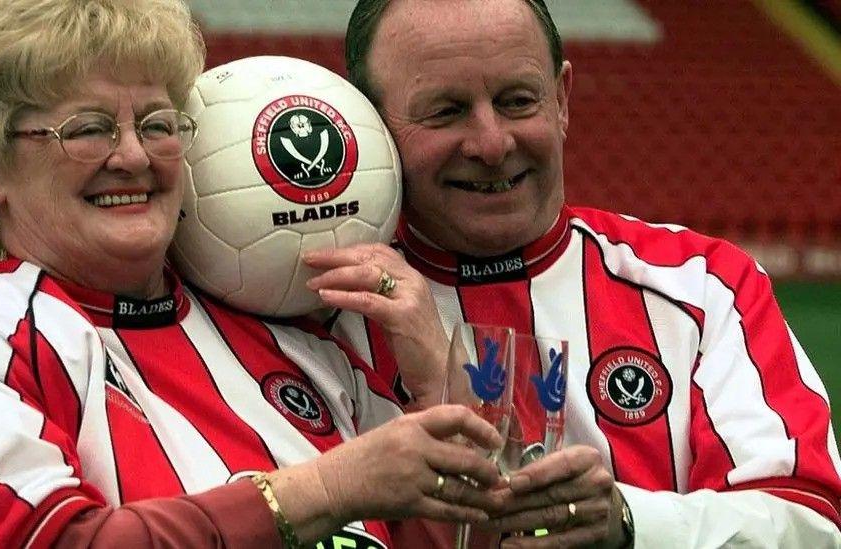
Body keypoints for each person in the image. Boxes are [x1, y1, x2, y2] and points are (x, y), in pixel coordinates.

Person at [0, 1, 511, 547]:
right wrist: (322, 488)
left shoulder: (294, 342)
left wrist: (437, 386)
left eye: (156, 123)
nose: (132, 155)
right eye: (87, 129)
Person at [303, 0, 841, 546]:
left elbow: (811, 525)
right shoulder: (316, 310)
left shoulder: (701, 285)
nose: (491, 144)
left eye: (517, 102)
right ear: (367, 121)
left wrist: (629, 523)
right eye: (446, 111)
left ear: (560, 100)